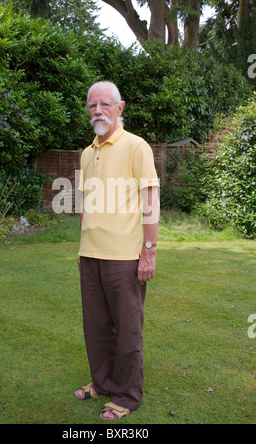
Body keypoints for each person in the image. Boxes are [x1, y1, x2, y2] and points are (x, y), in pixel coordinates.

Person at [74, 81, 159, 420]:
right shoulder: (86, 152)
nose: (98, 111)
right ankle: (102, 383)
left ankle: (125, 396)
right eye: (92, 105)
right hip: (90, 255)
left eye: (105, 104)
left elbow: (151, 203)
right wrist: (82, 246)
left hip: (124, 258)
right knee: (96, 326)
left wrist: (148, 252)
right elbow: (85, 204)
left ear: (120, 108)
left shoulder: (137, 147)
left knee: (127, 329)